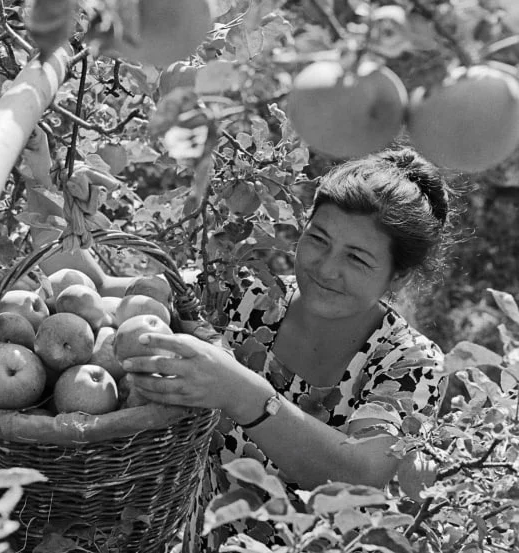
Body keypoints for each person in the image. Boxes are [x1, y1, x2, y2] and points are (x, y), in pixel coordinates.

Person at [22, 137, 452, 549]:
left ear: (398, 276)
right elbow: (92, 296)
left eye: (356, 258)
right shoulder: (242, 296)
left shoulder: (408, 362)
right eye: (318, 239)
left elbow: (360, 474)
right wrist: (42, 182)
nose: (326, 267)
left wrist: (240, 392)